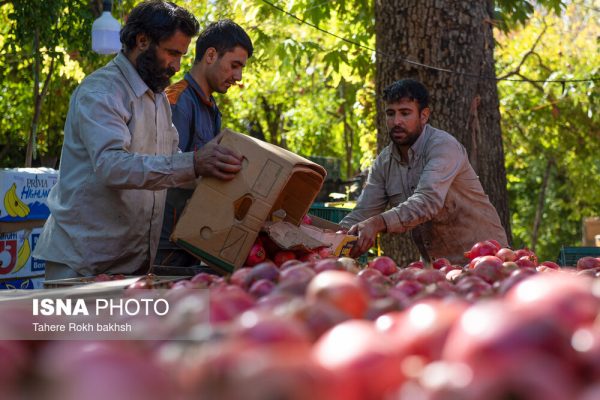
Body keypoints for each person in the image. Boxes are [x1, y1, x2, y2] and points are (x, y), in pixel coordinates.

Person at [33, 1, 243, 280]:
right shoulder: (102, 90)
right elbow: (111, 166)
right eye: (171, 53)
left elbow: (171, 164)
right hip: (83, 262)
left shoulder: (158, 98)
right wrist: (193, 163)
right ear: (142, 41)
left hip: (132, 263)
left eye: (181, 55)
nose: (176, 65)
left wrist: (225, 173)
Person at [339, 78, 508, 265]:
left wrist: (377, 223)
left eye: (405, 113)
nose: (396, 121)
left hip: (487, 260)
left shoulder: (443, 147)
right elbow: (363, 213)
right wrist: (333, 238)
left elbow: (427, 201)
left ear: (424, 115)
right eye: (390, 113)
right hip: (439, 268)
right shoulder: (383, 163)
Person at [156, 19, 253, 267]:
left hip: (193, 238)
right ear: (211, 55)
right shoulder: (176, 101)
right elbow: (163, 169)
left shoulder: (212, 109)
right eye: (234, 65)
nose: (238, 76)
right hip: (166, 243)